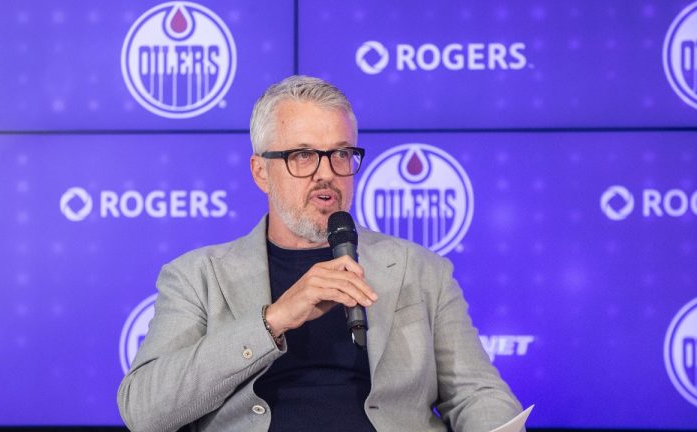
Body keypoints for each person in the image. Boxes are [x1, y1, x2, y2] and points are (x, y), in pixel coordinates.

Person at [117, 75, 523, 432]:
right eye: (303, 155)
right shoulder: (197, 276)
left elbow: (476, 393)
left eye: (341, 154)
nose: (326, 173)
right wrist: (273, 320)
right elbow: (145, 411)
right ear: (261, 172)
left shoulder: (421, 270)